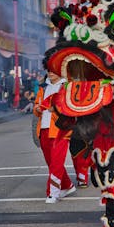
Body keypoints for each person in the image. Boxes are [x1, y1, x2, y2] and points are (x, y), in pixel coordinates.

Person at [34, 70, 77, 202]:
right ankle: (67, 185)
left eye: (54, 70)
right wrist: (38, 109)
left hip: (61, 130)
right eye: (49, 70)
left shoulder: (67, 87)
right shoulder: (43, 88)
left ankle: (53, 192)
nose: (50, 72)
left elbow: (73, 106)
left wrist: (57, 108)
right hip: (44, 130)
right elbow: (37, 106)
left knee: (57, 162)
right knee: (51, 162)